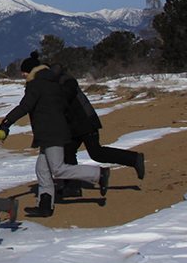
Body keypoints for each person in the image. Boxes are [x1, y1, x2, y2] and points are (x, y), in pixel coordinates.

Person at [0, 52, 110, 218]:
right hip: (52, 131)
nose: (22, 74)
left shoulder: (36, 85)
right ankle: (45, 206)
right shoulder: (52, 82)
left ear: (32, 71)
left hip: (51, 133)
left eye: (25, 71)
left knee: (58, 169)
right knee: (42, 169)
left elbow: (25, 106)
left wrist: (6, 123)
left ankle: (99, 174)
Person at [52, 64, 146, 197]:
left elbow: (64, 98)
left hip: (85, 122)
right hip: (74, 125)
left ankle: (134, 158)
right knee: (67, 151)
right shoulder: (58, 82)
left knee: (96, 153)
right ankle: (72, 187)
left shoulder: (66, 81)